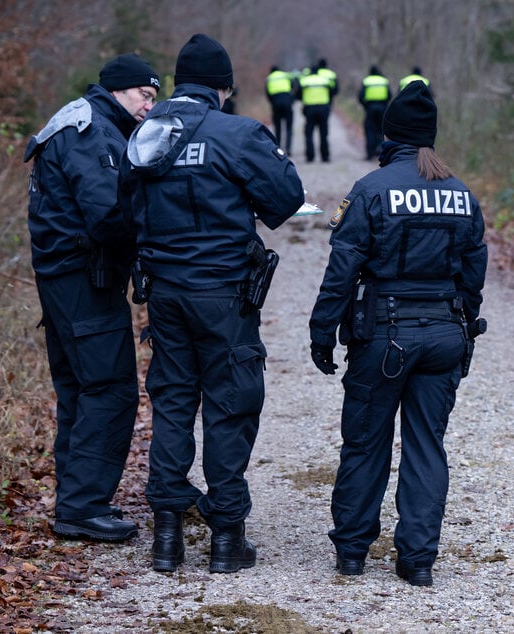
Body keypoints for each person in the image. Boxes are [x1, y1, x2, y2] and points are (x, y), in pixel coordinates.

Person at [119, 34, 304, 574]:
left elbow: (123, 209)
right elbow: (287, 198)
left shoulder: (146, 133)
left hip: (165, 294)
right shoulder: (237, 133)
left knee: (174, 403)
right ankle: (226, 536)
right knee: (231, 404)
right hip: (224, 295)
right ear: (223, 88)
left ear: (178, 84)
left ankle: (167, 536)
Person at [308, 81, 487, 587]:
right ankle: (418, 561)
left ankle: (352, 553)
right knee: (427, 445)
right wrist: (465, 332)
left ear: (389, 135)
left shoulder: (372, 189)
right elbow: (473, 275)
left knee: (366, 442)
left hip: (383, 337)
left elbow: (342, 270)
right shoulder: (461, 194)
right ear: (430, 136)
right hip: (444, 335)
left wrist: (323, 331)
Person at [24, 54, 160, 542]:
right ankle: (83, 507)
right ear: (119, 90)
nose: (150, 106)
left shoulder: (84, 121)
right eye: (145, 95)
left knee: (80, 391)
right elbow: (107, 216)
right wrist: (159, 235)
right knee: (110, 389)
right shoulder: (92, 132)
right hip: (83, 280)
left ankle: (76, 501)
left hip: (66, 279)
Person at [298, 64, 334, 162]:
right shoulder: (325, 80)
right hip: (323, 108)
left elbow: (298, 94)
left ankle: (310, 157)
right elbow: (332, 93)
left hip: (309, 109)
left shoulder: (305, 81)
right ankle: (325, 157)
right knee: (323, 133)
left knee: (309, 133)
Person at [358, 65, 390, 160]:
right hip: (382, 108)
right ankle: (382, 152)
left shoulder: (366, 81)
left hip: (370, 108)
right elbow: (389, 95)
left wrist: (366, 106)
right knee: (381, 130)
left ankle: (370, 153)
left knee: (370, 130)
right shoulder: (384, 81)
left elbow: (360, 96)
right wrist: (384, 105)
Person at [265, 65, 295, 154]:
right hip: (287, 103)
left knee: (278, 127)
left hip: (276, 103)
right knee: (289, 127)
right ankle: (288, 148)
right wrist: (291, 99)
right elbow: (293, 87)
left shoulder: (270, 78)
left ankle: (278, 148)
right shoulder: (286, 75)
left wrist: (273, 102)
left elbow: (268, 93)